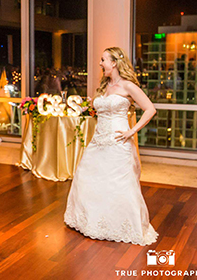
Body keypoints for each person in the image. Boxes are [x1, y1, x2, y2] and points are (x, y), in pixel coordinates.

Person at [64, 47, 158, 246]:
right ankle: (91, 222)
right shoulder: (104, 86)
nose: (100, 64)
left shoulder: (128, 86)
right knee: (87, 177)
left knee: (118, 182)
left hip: (118, 142)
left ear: (114, 63)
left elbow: (150, 109)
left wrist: (132, 131)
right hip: (98, 141)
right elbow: (101, 109)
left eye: (103, 60)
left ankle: (121, 225)